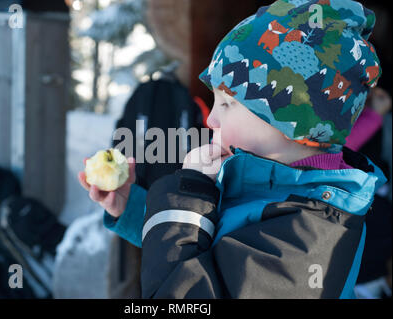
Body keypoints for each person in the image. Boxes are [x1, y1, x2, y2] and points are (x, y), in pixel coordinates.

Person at [79, 0, 388, 298]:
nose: (211, 119)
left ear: (293, 124)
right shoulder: (269, 184)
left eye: (226, 103)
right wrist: (131, 207)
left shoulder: (311, 232)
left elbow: (185, 291)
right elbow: (203, 247)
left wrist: (189, 191)